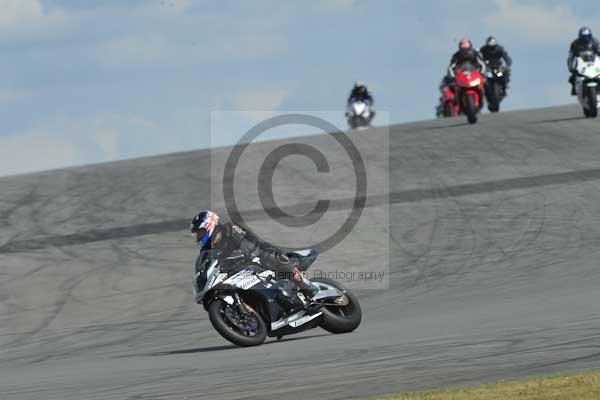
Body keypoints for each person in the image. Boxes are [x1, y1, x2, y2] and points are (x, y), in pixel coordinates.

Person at [190, 210, 320, 304]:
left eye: (200, 232)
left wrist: (245, 253)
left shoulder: (228, 228)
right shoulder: (207, 250)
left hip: (258, 253)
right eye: (197, 234)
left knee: (274, 259)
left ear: (210, 225)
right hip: (239, 269)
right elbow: (209, 264)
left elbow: (247, 242)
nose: (199, 237)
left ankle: (308, 287)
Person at [568, 27, 600, 95]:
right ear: (580, 36)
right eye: (583, 37)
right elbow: (571, 56)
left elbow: (599, 51)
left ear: (590, 35)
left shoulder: (595, 41)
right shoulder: (575, 44)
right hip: (581, 63)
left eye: (587, 37)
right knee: (573, 77)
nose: (585, 39)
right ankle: (574, 89)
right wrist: (571, 67)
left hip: (593, 63)